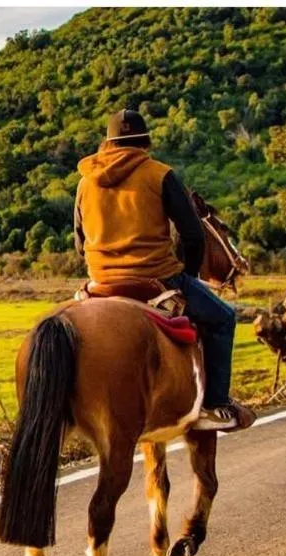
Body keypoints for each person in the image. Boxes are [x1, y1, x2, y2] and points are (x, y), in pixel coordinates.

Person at [73, 109, 252, 431]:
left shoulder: (86, 181)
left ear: (108, 142)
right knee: (224, 318)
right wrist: (189, 277)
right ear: (145, 142)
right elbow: (193, 235)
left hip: (101, 281)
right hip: (156, 276)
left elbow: (79, 241)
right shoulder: (160, 174)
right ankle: (214, 405)